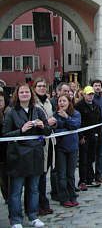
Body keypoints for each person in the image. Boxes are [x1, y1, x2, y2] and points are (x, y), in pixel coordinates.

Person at [3, 83, 52, 228]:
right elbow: (5, 135)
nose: (24, 94)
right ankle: (16, 219)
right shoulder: (11, 112)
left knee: (34, 188)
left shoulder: (37, 111)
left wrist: (43, 127)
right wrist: (21, 130)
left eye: (27, 92)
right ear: (17, 95)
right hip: (18, 156)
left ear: (31, 94)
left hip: (35, 155)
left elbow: (48, 131)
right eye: (21, 92)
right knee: (16, 190)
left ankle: (33, 216)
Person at [32, 78, 57, 216]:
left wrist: (53, 123)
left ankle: (43, 202)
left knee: (44, 173)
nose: (42, 88)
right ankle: (39, 204)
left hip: (49, 141)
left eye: (44, 86)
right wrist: (47, 123)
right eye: (39, 86)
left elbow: (52, 120)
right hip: (38, 142)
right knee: (38, 176)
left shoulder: (47, 102)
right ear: (35, 87)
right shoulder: (33, 103)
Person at [53, 94, 81, 208]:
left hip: (73, 147)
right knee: (62, 175)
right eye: (60, 101)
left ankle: (72, 195)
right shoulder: (55, 115)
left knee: (71, 174)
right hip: (60, 148)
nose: (62, 103)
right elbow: (55, 128)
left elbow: (76, 125)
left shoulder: (75, 113)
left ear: (69, 102)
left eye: (64, 101)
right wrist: (65, 125)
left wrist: (66, 118)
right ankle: (64, 198)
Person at [75, 86, 102, 190]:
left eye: (92, 94)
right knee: (83, 159)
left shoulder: (96, 106)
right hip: (84, 136)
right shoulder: (79, 106)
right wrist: (80, 136)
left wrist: (98, 133)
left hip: (93, 135)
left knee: (91, 158)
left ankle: (90, 178)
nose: (90, 96)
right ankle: (82, 181)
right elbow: (79, 123)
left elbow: (99, 120)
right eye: (88, 94)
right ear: (84, 95)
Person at [91, 79, 102, 184]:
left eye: (99, 85)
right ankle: (90, 176)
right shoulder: (91, 98)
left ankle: (99, 174)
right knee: (92, 154)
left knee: (101, 154)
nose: (97, 87)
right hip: (93, 131)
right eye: (95, 85)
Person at [0, 91, 10, 204]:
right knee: (2, 176)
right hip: (1, 151)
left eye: (1, 100)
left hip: (9, 148)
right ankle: (7, 196)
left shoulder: (9, 112)